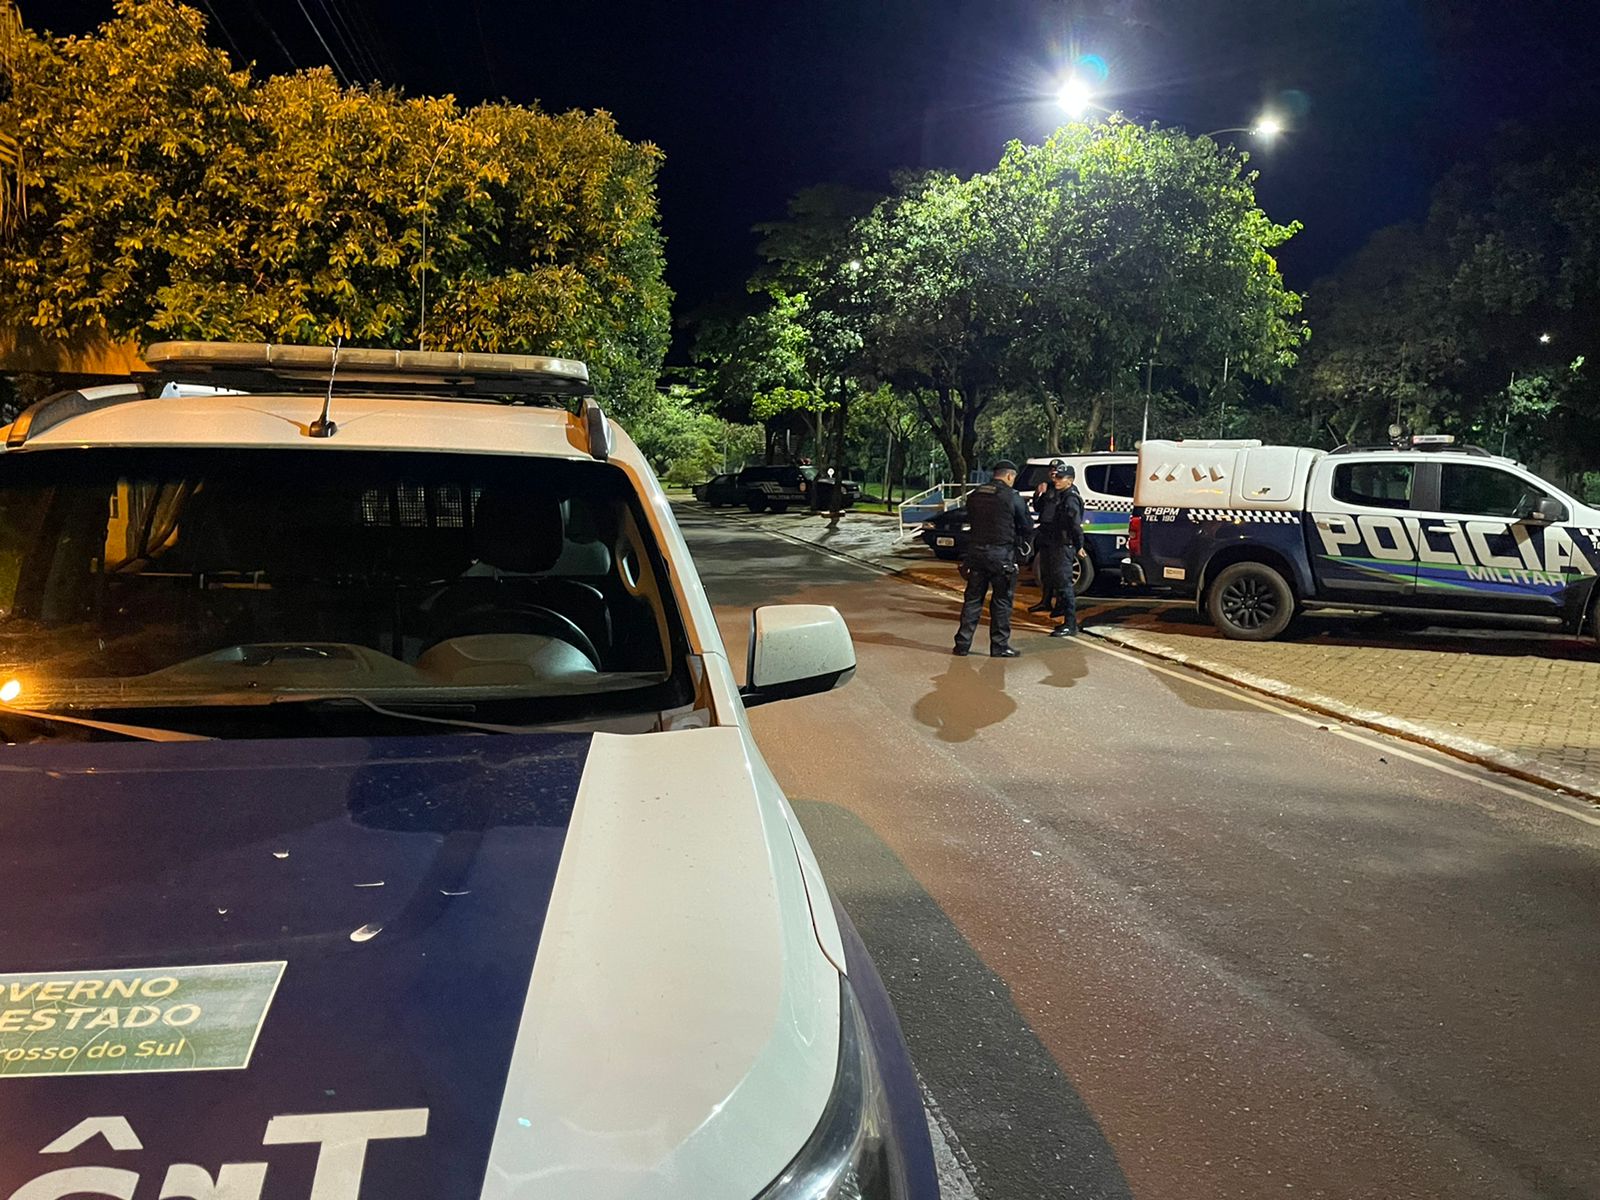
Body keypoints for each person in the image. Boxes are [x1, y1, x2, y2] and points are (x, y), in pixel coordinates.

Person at [952, 461, 1034, 658]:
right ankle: (999, 646)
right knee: (1001, 602)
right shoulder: (1012, 497)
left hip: (976, 555)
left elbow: (968, 519)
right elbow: (1027, 526)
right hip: (1001, 557)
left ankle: (962, 644)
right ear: (1009, 476)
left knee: (972, 600)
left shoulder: (976, 494)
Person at [1031, 460, 1084, 637]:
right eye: (1055, 476)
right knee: (1053, 578)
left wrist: (1079, 545)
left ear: (1070, 480)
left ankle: (1070, 623)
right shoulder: (1059, 493)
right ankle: (1061, 616)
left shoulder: (1070, 497)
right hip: (1052, 541)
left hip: (1063, 544)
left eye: (1061, 477)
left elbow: (1075, 525)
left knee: (1064, 584)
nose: (1056, 480)